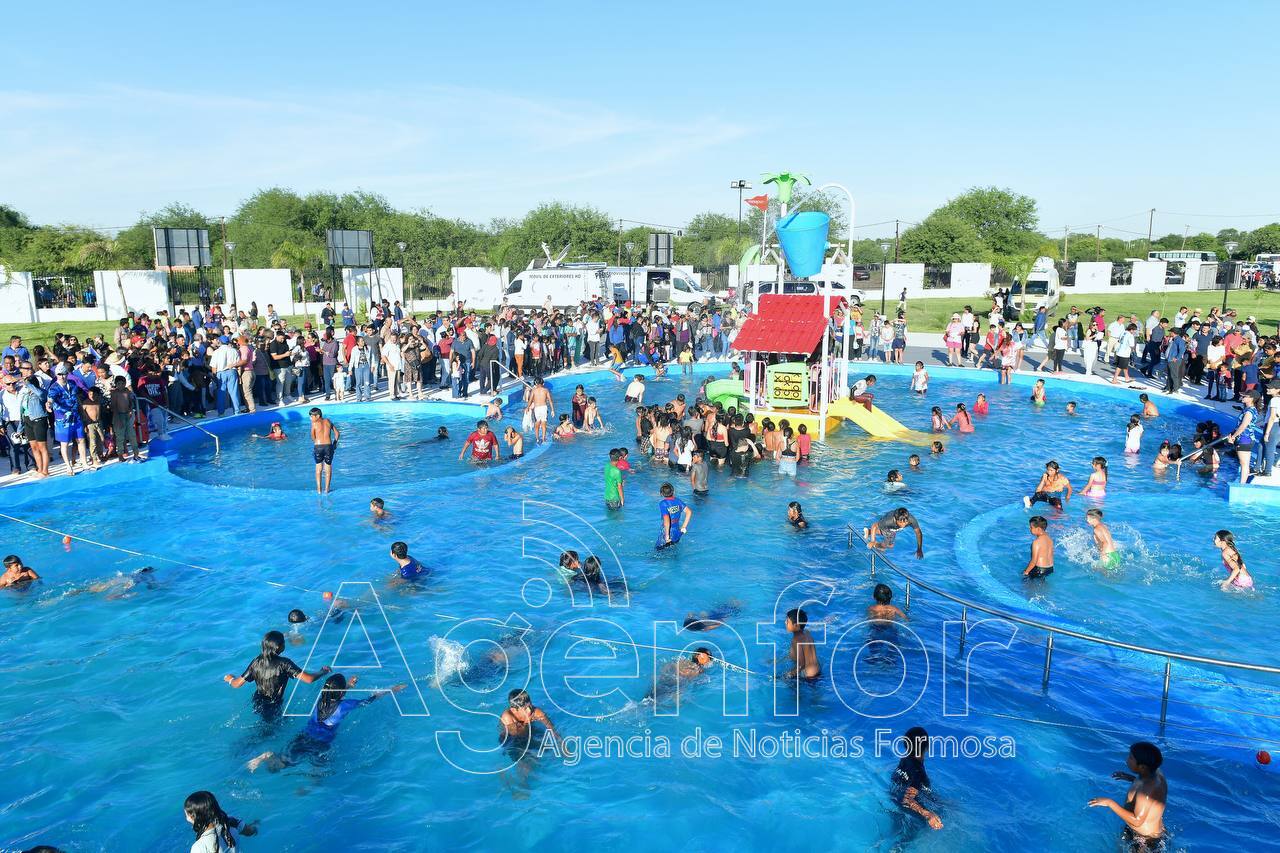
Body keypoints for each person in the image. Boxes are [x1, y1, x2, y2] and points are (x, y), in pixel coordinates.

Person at [247, 673, 406, 772]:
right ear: (341, 692)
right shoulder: (345, 706)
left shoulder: (321, 699)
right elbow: (369, 700)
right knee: (319, 771)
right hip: (320, 743)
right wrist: (391, 689)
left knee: (282, 763)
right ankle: (308, 788)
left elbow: (334, 695)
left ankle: (267, 756)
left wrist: (348, 685)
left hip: (303, 736)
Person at [224, 630, 330, 718]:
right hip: (274, 704)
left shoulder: (256, 662)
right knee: (268, 731)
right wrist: (323, 671)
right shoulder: (284, 663)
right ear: (278, 647)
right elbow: (309, 679)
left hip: (257, 701)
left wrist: (230, 679)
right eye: (283, 642)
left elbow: (237, 684)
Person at [1087, 742, 1167, 850]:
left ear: (1142, 767)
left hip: (1145, 839)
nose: (1127, 760)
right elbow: (1146, 787)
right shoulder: (1155, 773)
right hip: (1149, 832)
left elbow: (1137, 821)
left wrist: (1109, 802)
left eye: (1130, 758)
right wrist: (1129, 777)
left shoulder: (1147, 791)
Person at [892, 727, 942, 831]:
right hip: (908, 803)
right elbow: (907, 799)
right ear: (927, 747)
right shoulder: (918, 772)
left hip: (894, 795)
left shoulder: (904, 760)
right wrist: (927, 814)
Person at [184, 790, 255, 853]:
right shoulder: (231, 822)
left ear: (192, 817)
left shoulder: (199, 847)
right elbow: (250, 832)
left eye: (186, 814)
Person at [499, 688, 563, 752]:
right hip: (510, 738)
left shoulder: (536, 712)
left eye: (530, 706)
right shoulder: (507, 717)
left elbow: (552, 730)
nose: (529, 710)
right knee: (521, 753)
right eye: (525, 708)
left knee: (546, 746)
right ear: (514, 710)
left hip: (526, 730)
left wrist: (561, 744)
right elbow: (519, 737)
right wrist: (527, 723)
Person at [1225, 393, 1259, 484]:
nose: (1242, 397)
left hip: (1244, 439)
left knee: (1244, 464)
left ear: (1251, 398)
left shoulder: (1249, 412)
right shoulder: (1250, 409)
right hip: (1247, 438)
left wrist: (1233, 437)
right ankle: (1243, 482)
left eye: (1245, 396)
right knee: (1245, 464)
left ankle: (1242, 484)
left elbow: (1243, 426)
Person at [783, 607, 821, 679]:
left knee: (787, 682)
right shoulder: (807, 633)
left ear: (796, 625)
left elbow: (801, 665)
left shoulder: (796, 641)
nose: (785, 622)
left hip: (809, 676)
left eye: (787, 621)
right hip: (818, 670)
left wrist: (787, 675)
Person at [309, 407, 339, 494]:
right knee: (328, 468)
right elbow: (337, 433)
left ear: (317, 416)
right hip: (329, 446)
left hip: (318, 447)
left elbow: (312, 436)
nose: (311, 418)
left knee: (319, 469)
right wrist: (334, 444)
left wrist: (317, 443)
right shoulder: (328, 421)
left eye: (311, 416)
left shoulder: (314, 423)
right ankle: (327, 490)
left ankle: (319, 490)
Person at [656, 481, 692, 550]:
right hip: (677, 532)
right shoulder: (678, 501)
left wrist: (667, 536)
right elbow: (689, 512)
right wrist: (683, 527)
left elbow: (667, 520)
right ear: (673, 491)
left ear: (661, 494)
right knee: (674, 551)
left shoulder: (663, 503)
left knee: (657, 553)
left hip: (668, 533)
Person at [527, 378, 554, 444]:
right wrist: (552, 410)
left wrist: (527, 407)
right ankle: (544, 438)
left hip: (537, 408)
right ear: (543, 383)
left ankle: (537, 439)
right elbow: (550, 400)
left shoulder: (534, 390)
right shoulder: (546, 390)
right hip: (544, 408)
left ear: (536, 383)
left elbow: (530, 400)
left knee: (537, 424)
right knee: (543, 424)